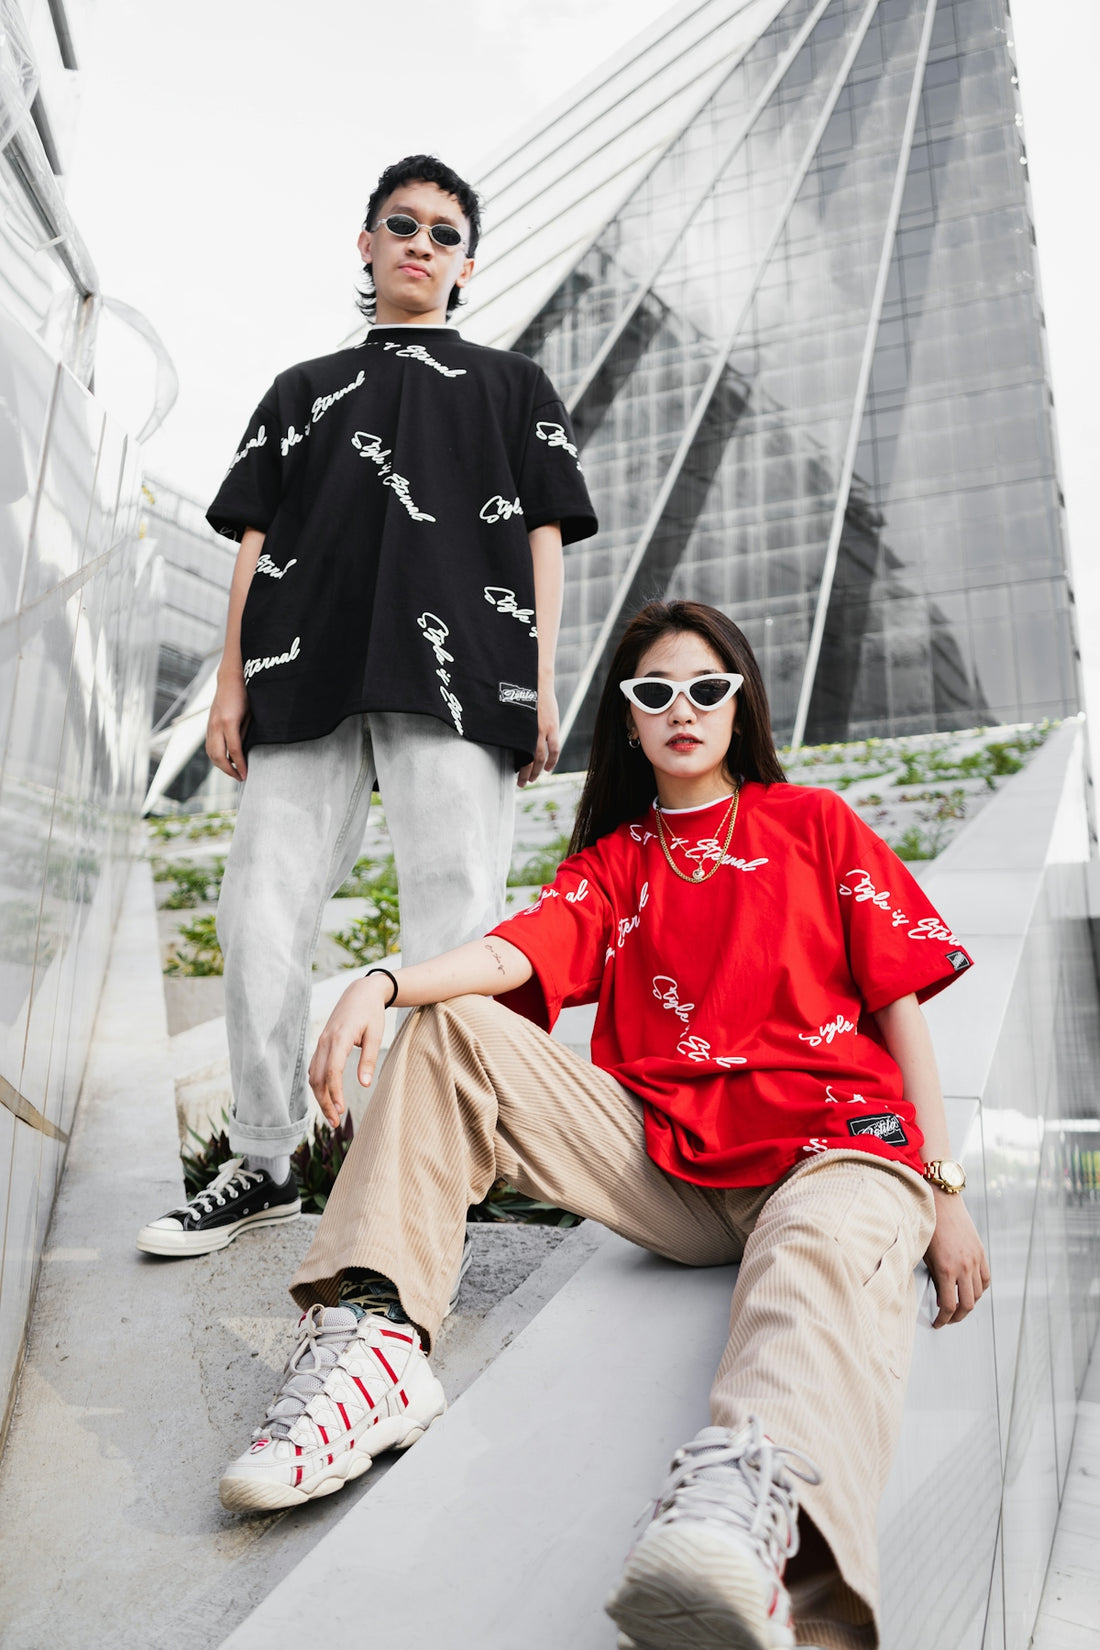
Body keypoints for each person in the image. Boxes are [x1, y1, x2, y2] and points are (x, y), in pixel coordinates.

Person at [217, 599, 989, 1650]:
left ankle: (743, 1537)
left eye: (707, 688)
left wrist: (943, 1192)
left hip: (834, 1151)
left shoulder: (813, 824)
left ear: (741, 704)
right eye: (654, 692)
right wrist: (384, 980)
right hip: (669, 1165)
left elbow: (900, 1006)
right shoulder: (617, 863)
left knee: (810, 1263)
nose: (683, 709)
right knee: (453, 1024)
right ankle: (378, 1342)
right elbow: (514, 954)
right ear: (627, 716)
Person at [137, 154, 596, 1259]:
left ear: (465, 264)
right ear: (366, 242)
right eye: (402, 224)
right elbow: (254, 542)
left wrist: (539, 681)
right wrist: (230, 683)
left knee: (457, 921)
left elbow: (544, 537)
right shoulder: (300, 391)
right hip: (306, 673)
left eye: (444, 233)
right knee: (258, 910)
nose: (421, 244)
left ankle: (429, 1169)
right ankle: (263, 1161)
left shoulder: (514, 388)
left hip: (461, 674)